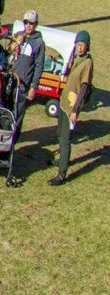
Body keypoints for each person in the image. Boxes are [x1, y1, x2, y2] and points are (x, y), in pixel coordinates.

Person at [51, 31, 93, 186]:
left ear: (87, 46)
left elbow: (84, 87)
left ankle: (61, 174)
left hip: (71, 107)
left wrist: (75, 110)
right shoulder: (76, 59)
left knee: (65, 139)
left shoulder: (87, 63)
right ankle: (62, 160)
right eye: (78, 44)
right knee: (60, 134)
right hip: (64, 103)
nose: (80, 47)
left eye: (82, 45)